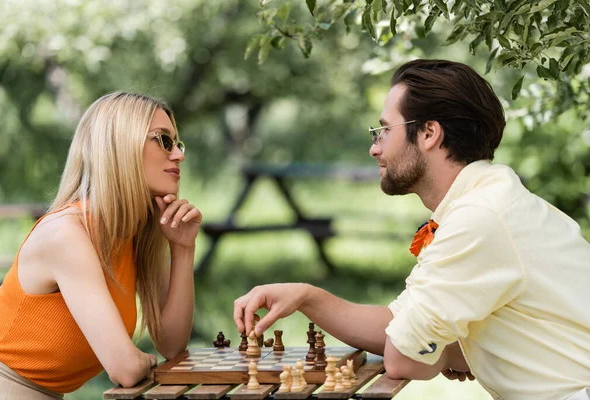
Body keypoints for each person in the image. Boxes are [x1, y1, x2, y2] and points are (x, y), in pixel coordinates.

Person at [233, 59, 590, 400]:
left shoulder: (479, 219)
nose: (375, 148)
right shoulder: (487, 201)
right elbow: (398, 328)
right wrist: (307, 297)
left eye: (385, 130)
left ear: (429, 133)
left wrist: (446, 352)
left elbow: (402, 359)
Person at [0, 92, 202, 399]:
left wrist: (183, 250)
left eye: (177, 144)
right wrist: (141, 361)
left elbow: (171, 344)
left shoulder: (133, 233)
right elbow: (126, 369)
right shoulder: (66, 235)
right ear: (120, 147)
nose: (178, 155)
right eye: (163, 140)